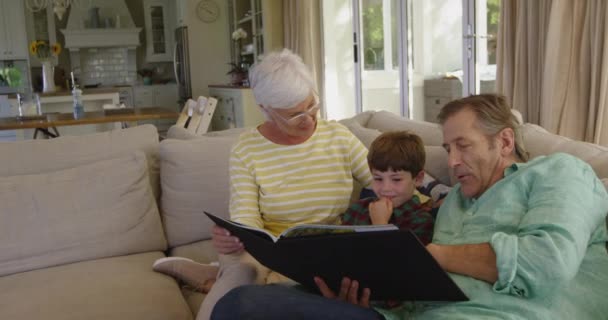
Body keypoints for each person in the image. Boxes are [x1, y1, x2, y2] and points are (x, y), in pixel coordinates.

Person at [209, 94, 608, 320]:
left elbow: (547, 264)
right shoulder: (455, 204)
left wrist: (427, 253)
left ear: (504, 142)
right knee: (242, 305)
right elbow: (424, 292)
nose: (451, 162)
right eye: (448, 148)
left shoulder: (560, 173)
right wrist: (368, 293)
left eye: (463, 145)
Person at [152, 48, 373, 320]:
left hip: (324, 249)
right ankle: (226, 275)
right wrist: (235, 238)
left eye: (312, 106)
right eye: (294, 115)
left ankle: (212, 276)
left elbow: (382, 179)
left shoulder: (338, 137)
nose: (309, 119)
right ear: (265, 109)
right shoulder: (247, 149)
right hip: (266, 251)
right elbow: (247, 220)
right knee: (239, 284)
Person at [341, 131, 435, 246]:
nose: (385, 189)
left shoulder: (422, 221)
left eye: (396, 180)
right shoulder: (357, 210)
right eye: (378, 179)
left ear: (418, 179)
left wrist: (380, 225)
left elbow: (397, 261)